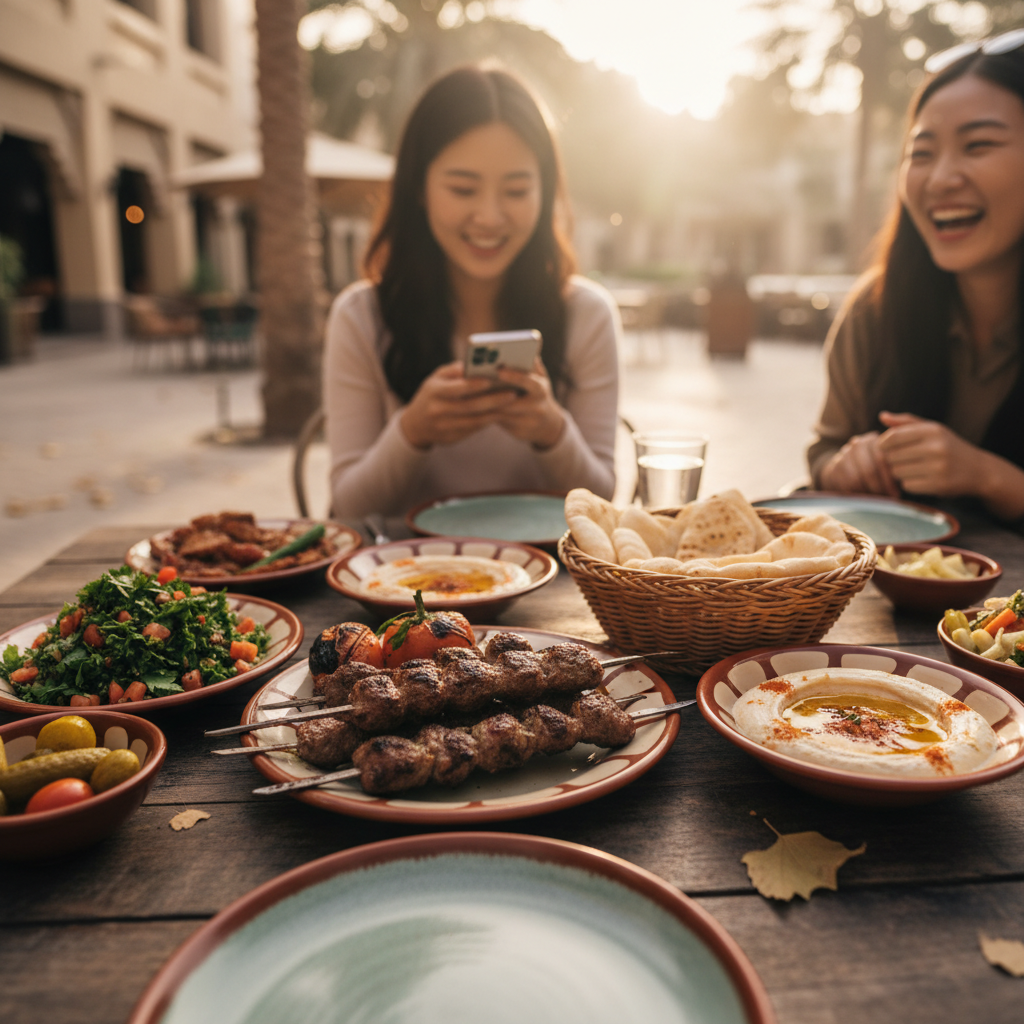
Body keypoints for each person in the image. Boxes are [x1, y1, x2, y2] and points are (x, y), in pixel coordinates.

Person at [323, 66, 620, 519]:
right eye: (463, 188)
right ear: (419, 188)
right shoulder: (361, 316)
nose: (489, 216)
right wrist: (413, 433)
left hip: (548, 581)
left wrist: (552, 431)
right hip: (408, 579)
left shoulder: (587, 313)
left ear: (545, 194)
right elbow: (346, 510)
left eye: (517, 190)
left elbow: (601, 504)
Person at [807, 32, 1024, 522]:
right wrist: (844, 467)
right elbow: (823, 453)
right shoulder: (875, 309)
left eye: (979, 145)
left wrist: (984, 475)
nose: (941, 177)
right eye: (921, 153)